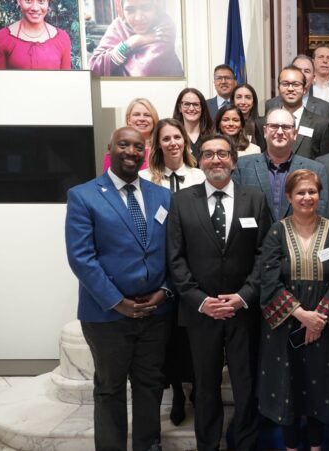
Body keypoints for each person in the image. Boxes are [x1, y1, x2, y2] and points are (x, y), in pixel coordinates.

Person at [65, 127, 173, 451]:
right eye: (123, 144)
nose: (131, 151)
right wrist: (118, 302)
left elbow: (173, 250)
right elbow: (82, 259)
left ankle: (148, 446)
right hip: (106, 316)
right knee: (110, 389)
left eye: (138, 146)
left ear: (145, 152)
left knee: (149, 385)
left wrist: (166, 290)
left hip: (155, 313)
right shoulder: (84, 196)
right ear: (110, 149)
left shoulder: (162, 196)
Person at [167, 134, 272, 451]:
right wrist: (200, 301)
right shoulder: (181, 201)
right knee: (206, 385)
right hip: (201, 313)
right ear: (199, 160)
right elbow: (175, 258)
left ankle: (245, 442)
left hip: (244, 310)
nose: (216, 160)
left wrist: (244, 296)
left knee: (245, 384)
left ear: (234, 161)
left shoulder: (255, 199)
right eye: (209, 154)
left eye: (223, 154)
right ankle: (208, 444)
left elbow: (265, 256)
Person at [258, 169, 329, 451]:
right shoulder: (277, 230)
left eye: (312, 192)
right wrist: (302, 316)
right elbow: (269, 280)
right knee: (288, 386)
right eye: (300, 192)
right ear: (289, 196)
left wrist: (317, 320)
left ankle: (316, 446)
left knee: (319, 387)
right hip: (285, 326)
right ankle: (290, 446)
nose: (307, 197)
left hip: (324, 326)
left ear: (319, 195)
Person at [138, 118, 203, 425]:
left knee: (191, 335)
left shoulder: (199, 175)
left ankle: (195, 387)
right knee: (168, 337)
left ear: (185, 141)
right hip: (161, 269)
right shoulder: (144, 179)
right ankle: (176, 389)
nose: (174, 143)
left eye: (178, 137)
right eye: (167, 138)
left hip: (194, 267)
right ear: (158, 144)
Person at [233, 108, 329, 222]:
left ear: (295, 134)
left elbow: (321, 214)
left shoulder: (315, 170)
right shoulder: (242, 166)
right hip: (254, 238)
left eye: (285, 127)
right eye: (274, 126)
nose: (279, 132)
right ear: (265, 132)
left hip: (299, 238)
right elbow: (235, 210)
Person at [89, 0, 183, 77]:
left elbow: (144, 72)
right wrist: (133, 42)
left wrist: (114, 58)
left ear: (156, 7)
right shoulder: (118, 26)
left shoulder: (164, 27)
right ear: (121, 9)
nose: (138, 18)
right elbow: (94, 68)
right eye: (130, 10)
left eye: (146, 8)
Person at [263, 65, 329, 159]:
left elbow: (328, 162)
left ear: (304, 89)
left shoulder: (321, 125)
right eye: (285, 84)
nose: (290, 89)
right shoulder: (266, 123)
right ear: (279, 88)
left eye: (296, 84)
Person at [0, 0, 72, 69]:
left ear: (48, 2)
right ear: (19, 1)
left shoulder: (62, 39)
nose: (35, 8)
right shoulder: (2, 38)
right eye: (28, 1)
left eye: (41, 1)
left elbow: (66, 81)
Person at [266, 55, 329, 119]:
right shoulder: (272, 104)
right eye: (297, 70)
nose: (302, 74)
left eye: (307, 71)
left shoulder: (325, 108)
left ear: (313, 77)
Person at [102, 98, 158, 172]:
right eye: (136, 114)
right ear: (129, 120)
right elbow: (107, 181)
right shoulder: (115, 150)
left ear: (153, 120)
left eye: (147, 115)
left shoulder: (161, 149)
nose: (142, 119)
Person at [172, 88, 214, 161]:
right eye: (187, 104)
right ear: (179, 108)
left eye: (196, 104)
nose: (191, 108)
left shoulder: (213, 135)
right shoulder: (172, 136)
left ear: (202, 108)